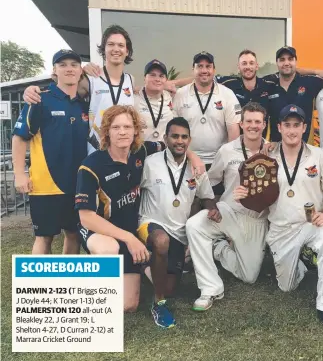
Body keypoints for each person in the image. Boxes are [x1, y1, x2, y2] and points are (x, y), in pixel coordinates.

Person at [75, 105, 162, 312]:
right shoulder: (91, 165)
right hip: (99, 231)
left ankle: (135, 269)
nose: (122, 132)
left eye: (127, 126)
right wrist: (129, 238)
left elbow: (170, 144)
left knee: (128, 305)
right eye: (115, 127)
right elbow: (86, 217)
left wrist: (194, 158)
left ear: (135, 131)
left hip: (128, 232)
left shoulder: (140, 151)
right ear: (106, 132)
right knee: (108, 250)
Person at [186, 102, 269, 311]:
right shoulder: (227, 150)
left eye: (257, 122)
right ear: (241, 124)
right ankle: (210, 288)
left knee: (249, 276)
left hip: (256, 219)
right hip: (228, 211)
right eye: (248, 121)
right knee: (195, 225)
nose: (253, 126)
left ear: (264, 124)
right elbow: (211, 183)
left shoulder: (272, 151)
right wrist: (211, 205)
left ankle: (218, 247)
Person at [266, 104, 323, 329]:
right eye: (287, 125)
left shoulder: (319, 155)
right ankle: (304, 261)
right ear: (279, 127)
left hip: (312, 222)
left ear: (304, 127)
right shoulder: (267, 155)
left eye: (296, 125)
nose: (292, 130)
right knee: (287, 286)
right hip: (282, 228)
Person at [138, 117, 218, 327]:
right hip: (151, 224)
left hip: (179, 233)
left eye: (184, 137)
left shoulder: (196, 168)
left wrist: (213, 209)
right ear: (165, 138)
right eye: (174, 136)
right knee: (161, 242)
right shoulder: (151, 163)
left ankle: (144, 266)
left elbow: (207, 196)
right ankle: (158, 304)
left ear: (189, 140)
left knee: (170, 288)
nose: (179, 141)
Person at [12, 49, 88, 255]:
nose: (69, 69)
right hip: (45, 185)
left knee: (74, 235)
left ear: (81, 70)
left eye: (74, 64)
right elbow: (19, 137)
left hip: (77, 185)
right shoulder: (39, 100)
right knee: (44, 237)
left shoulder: (84, 104)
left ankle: (65, 283)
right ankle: (41, 287)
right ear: (54, 71)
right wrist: (19, 173)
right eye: (63, 65)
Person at [23, 25, 136, 154]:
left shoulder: (130, 80)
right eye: (111, 44)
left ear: (127, 51)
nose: (116, 49)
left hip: (124, 152)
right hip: (97, 153)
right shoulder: (90, 78)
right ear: (104, 49)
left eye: (120, 45)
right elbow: (64, 87)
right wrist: (32, 90)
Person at [172, 51, 241, 168]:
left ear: (214, 70)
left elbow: (233, 131)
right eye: (199, 66)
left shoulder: (227, 94)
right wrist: (188, 156)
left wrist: (228, 162)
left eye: (208, 66)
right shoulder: (180, 94)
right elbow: (173, 131)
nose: (204, 70)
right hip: (186, 160)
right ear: (192, 70)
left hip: (219, 161)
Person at [262, 47, 323, 143]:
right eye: (282, 60)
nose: (286, 63)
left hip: (305, 150)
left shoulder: (311, 82)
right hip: (276, 150)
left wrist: (316, 72)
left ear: (296, 62)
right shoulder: (268, 84)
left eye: (290, 59)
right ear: (277, 63)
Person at [135, 59, 175, 141]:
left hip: (165, 151)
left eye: (161, 76)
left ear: (166, 80)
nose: (157, 79)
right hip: (141, 150)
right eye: (152, 75)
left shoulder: (171, 97)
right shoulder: (134, 99)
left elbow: (195, 81)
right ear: (144, 78)